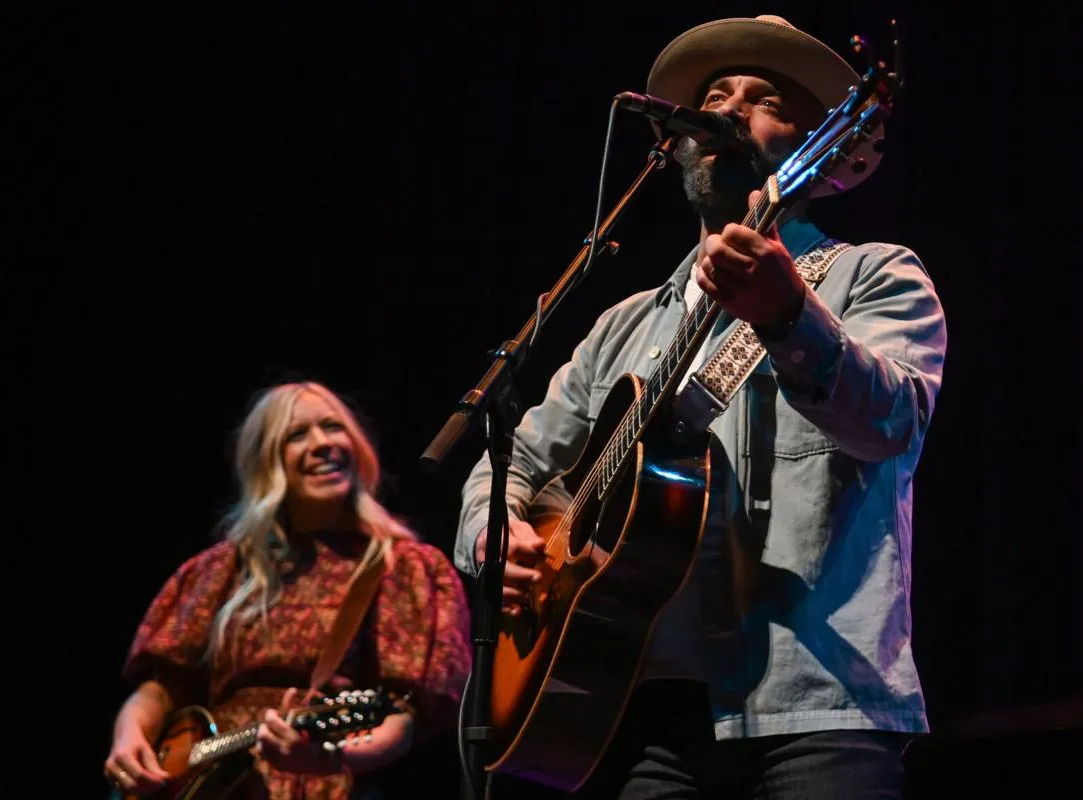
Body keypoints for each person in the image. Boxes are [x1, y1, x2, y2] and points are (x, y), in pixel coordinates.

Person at [453, 14, 947, 800]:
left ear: (819, 146)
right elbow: (509, 462)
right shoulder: (623, 324)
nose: (728, 109)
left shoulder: (874, 277)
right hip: (644, 707)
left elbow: (893, 424)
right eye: (715, 95)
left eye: (764, 99)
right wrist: (493, 532)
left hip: (817, 701)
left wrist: (789, 315)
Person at [104, 381, 471, 799]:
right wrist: (129, 735)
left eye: (333, 427)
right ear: (266, 461)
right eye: (297, 434)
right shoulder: (220, 570)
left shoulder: (403, 568)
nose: (322, 444)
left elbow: (401, 717)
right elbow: (162, 686)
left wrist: (333, 759)